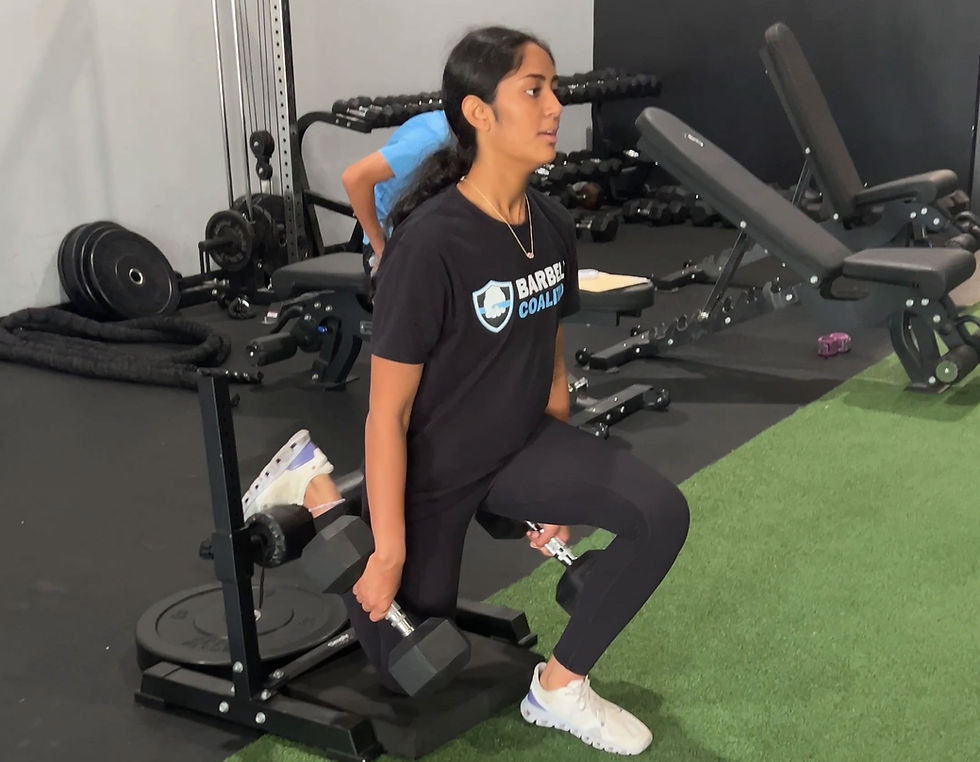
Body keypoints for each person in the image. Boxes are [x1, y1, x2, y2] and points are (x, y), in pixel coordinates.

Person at [244, 26, 689, 756]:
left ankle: (558, 689)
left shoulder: (549, 222)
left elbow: (548, 351)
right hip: (438, 467)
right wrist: (385, 554)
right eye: (532, 90)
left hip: (516, 445)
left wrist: (551, 491)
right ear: (479, 113)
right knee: (415, 666)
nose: (554, 105)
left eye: (553, 88)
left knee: (661, 515)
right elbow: (387, 415)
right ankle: (319, 494)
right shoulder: (430, 243)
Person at [341, 109, 452, 280]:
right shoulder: (431, 139)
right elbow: (354, 179)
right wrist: (381, 251)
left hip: (433, 233)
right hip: (394, 239)